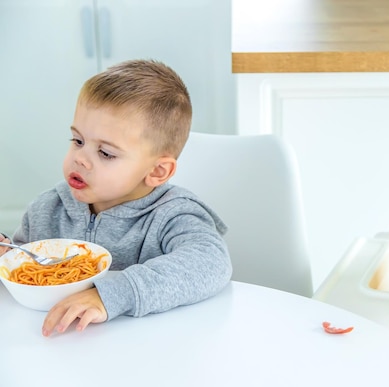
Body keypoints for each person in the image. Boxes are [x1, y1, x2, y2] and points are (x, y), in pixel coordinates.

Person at [0, 59, 233, 335]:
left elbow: (210, 263)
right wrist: (5, 253)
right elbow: (20, 268)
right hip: (61, 346)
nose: (80, 159)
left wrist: (111, 295)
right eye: (78, 141)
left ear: (157, 171)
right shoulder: (47, 209)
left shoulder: (173, 215)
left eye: (106, 153)